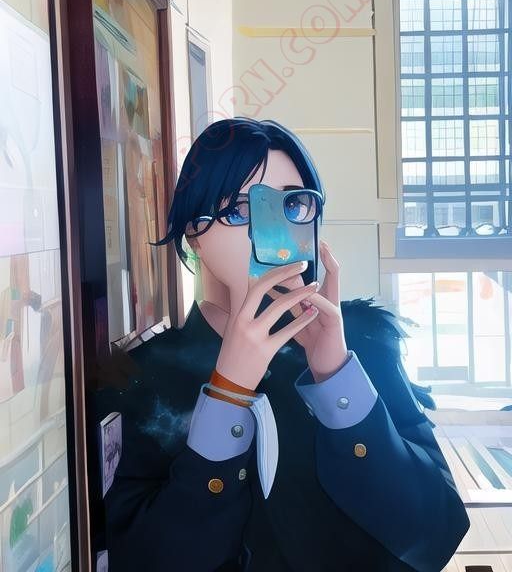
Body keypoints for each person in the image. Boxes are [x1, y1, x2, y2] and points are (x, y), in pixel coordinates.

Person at [93, 117, 470, 572]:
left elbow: (434, 537)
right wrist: (228, 394)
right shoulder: (138, 378)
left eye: (293, 204)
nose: (271, 231)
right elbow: (145, 560)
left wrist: (336, 378)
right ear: (194, 233)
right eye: (239, 210)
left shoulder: (365, 341)